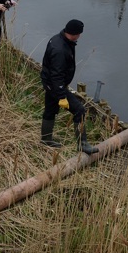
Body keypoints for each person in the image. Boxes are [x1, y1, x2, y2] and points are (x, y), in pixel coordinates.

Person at [39, 19, 96, 154]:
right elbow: (57, 76)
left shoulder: (59, 39)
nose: (80, 36)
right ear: (75, 33)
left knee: (50, 110)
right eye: (79, 34)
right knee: (79, 111)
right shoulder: (60, 49)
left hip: (49, 84)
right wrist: (62, 96)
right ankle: (82, 145)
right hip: (55, 86)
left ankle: (46, 140)